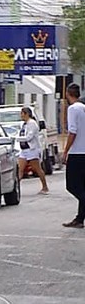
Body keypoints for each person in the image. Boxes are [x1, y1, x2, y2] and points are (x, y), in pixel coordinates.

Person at [60, 83, 85, 228]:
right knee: (82, 186)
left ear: (68, 94)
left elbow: (73, 132)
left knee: (72, 186)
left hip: (77, 153)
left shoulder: (73, 109)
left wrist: (65, 151)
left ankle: (80, 217)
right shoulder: (83, 108)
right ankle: (80, 218)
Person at [15, 107, 48, 194]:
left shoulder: (32, 124)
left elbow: (29, 137)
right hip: (24, 150)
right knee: (20, 169)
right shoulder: (23, 124)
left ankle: (45, 187)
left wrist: (17, 139)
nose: (21, 115)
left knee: (37, 168)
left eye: (22, 113)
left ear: (27, 114)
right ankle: (15, 189)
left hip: (32, 149)